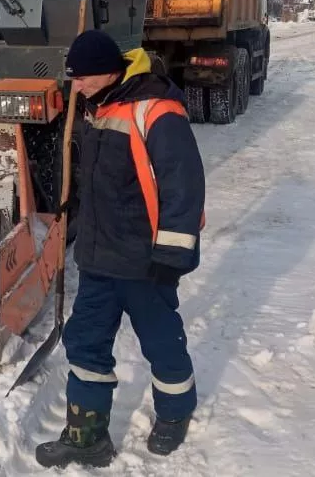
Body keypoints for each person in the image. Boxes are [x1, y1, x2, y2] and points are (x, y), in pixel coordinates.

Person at [36, 29, 206, 469]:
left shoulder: (158, 110)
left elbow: (183, 188)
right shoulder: (99, 103)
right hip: (99, 259)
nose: (76, 87)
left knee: (161, 342)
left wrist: (171, 255)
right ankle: (87, 434)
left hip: (145, 260)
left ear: (110, 72)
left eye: (83, 79)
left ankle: (175, 412)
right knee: (85, 342)